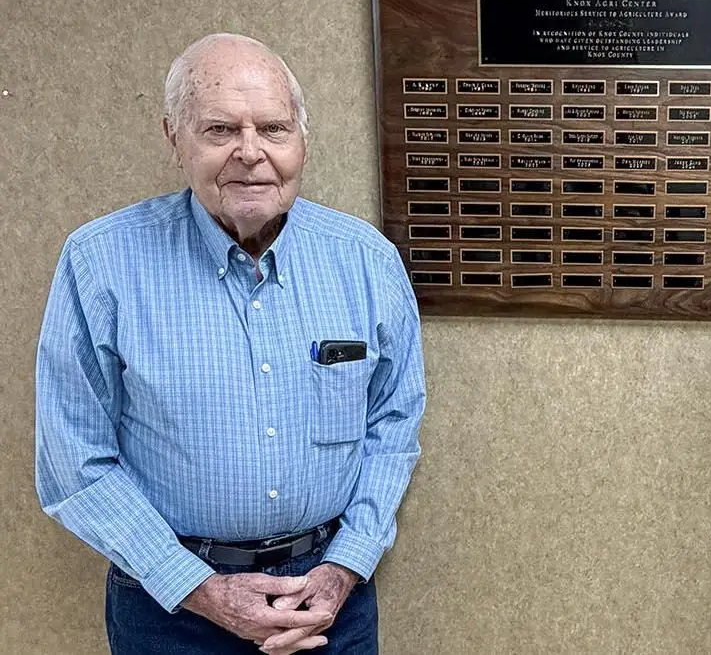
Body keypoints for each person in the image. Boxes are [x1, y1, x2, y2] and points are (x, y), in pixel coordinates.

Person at [35, 33, 426, 655]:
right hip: (170, 610)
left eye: (273, 128)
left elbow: (393, 424)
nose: (251, 153)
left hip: (329, 601)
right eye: (220, 130)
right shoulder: (99, 264)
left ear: (302, 137)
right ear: (174, 137)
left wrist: (345, 566)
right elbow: (74, 462)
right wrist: (197, 588)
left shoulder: (367, 260)